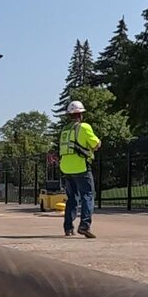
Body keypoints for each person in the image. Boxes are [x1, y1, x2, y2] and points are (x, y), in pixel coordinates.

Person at [58, 100, 101, 238]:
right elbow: (96, 144)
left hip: (66, 168)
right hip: (81, 167)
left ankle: (68, 227)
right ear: (81, 114)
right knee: (87, 195)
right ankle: (84, 225)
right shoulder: (84, 127)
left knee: (72, 198)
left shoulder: (65, 130)